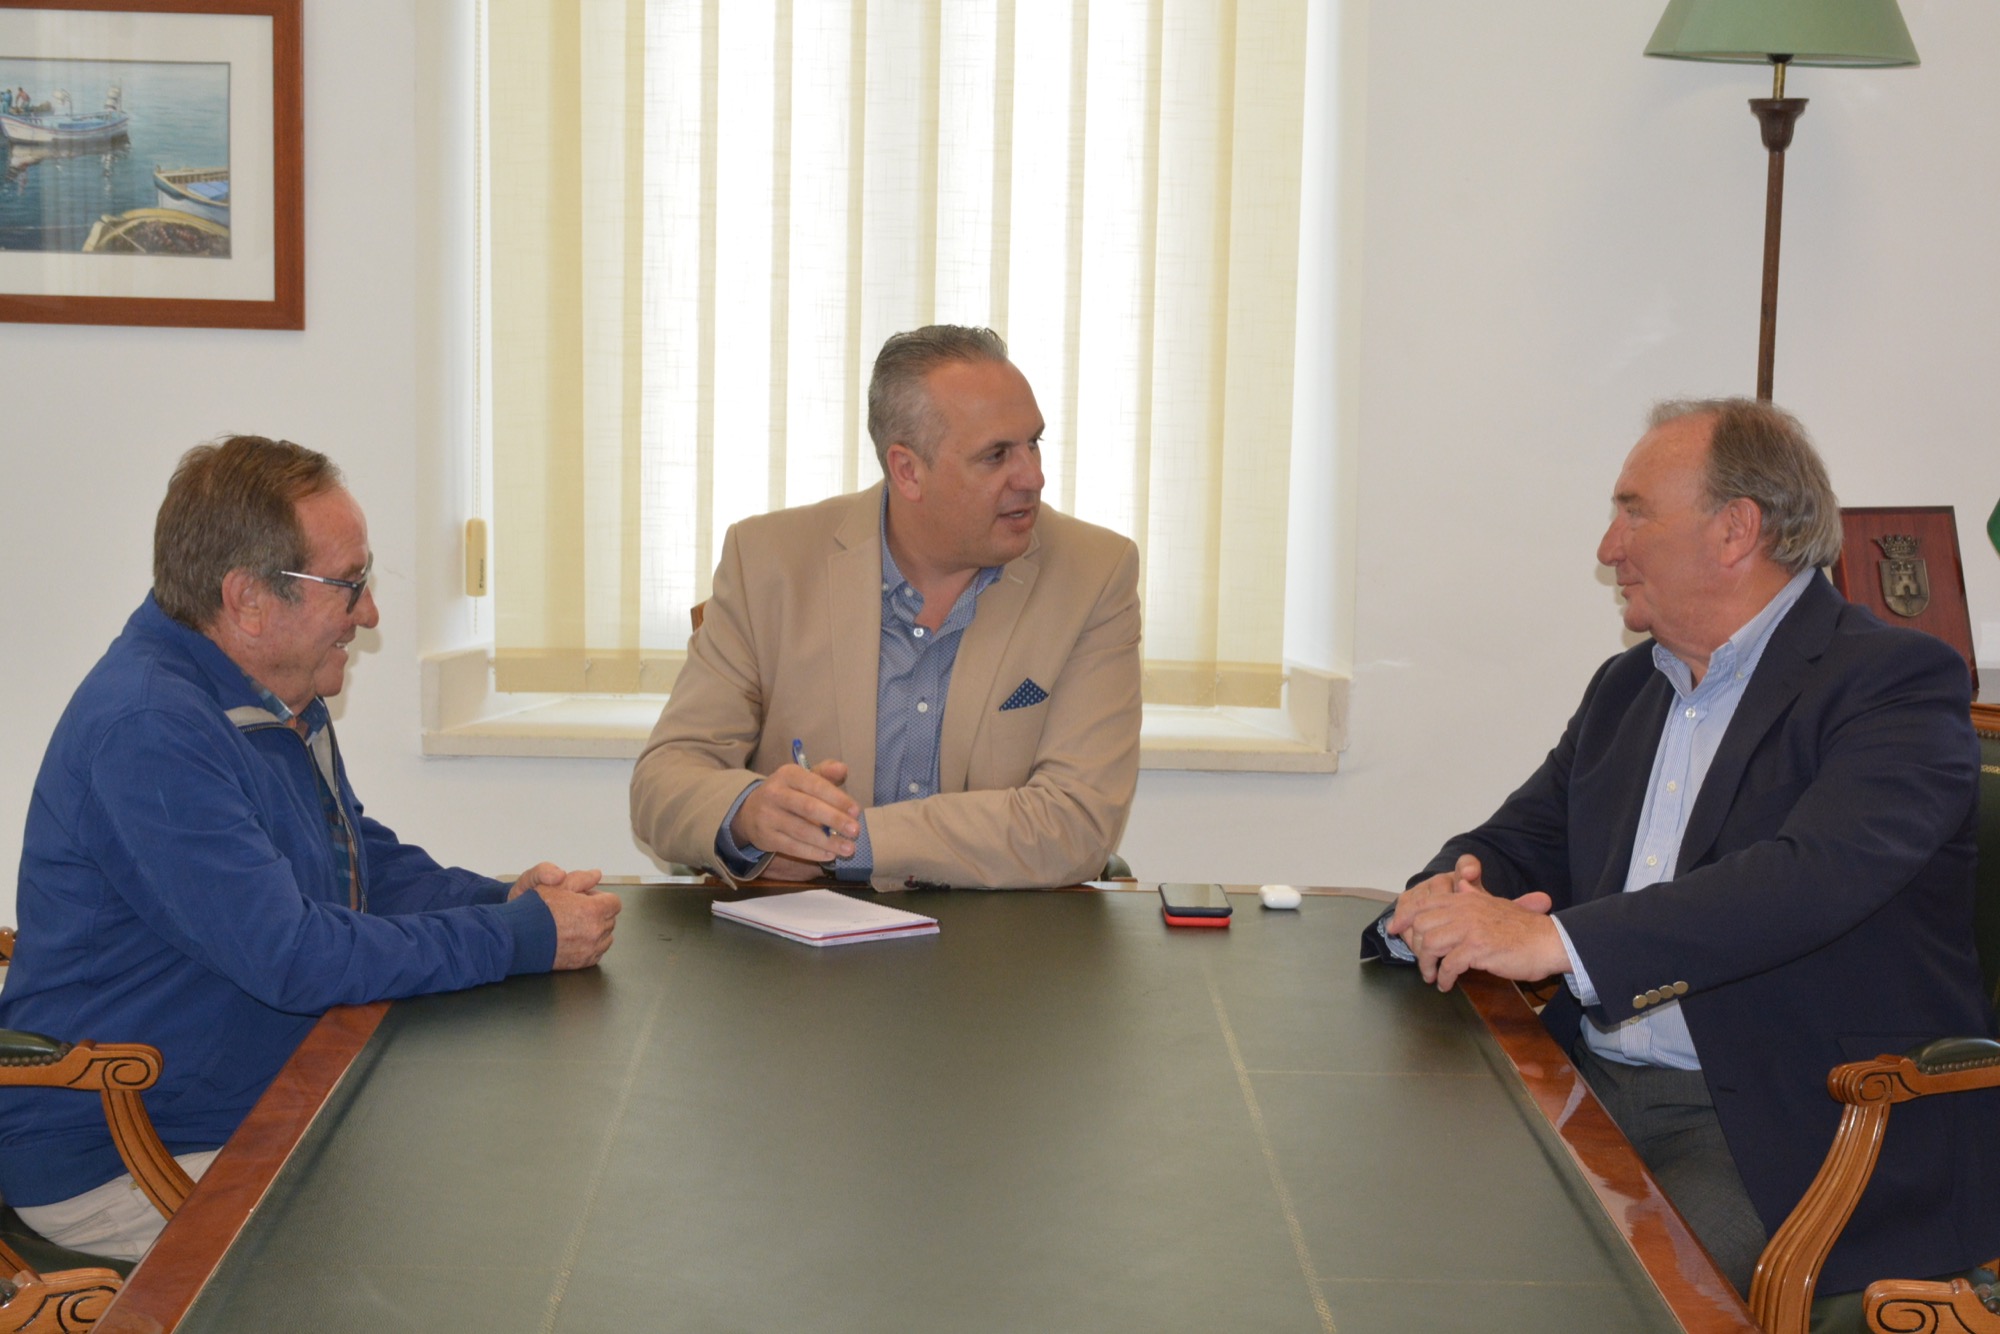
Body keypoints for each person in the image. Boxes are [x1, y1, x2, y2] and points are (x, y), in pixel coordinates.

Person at [1365, 398, 2000, 1302]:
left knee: (1590, 1299)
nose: (1608, 548)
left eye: (1634, 513)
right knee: (1398, 1236)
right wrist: (1449, 893)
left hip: (1788, 1126)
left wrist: (1556, 943)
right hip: (1592, 1085)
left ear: (1735, 529)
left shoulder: (1894, 681)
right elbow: (1526, 838)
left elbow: (1809, 877)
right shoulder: (1631, 685)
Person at [0, 436, 621, 1261]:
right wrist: (523, 938)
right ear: (250, 599)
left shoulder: (266, 688)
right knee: (456, 1234)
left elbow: (350, 859)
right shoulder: (149, 730)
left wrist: (498, 901)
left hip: (242, 1104)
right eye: (350, 585)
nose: (369, 614)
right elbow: (292, 956)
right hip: (124, 1156)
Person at [630, 325, 1141, 891]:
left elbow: (1076, 822)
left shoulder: (1095, 574)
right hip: (803, 939)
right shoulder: (769, 562)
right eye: (996, 455)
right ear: (907, 471)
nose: (1033, 476)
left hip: (999, 935)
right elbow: (663, 783)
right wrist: (749, 814)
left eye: (1033, 443)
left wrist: (849, 843)